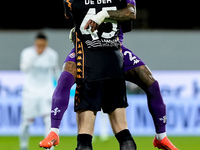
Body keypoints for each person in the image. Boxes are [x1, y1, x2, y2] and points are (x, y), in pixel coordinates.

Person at [40, 0, 137, 150]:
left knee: (84, 137)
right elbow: (129, 19)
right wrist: (107, 14)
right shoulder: (119, 2)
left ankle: (54, 130)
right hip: (114, 62)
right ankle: (161, 134)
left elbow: (72, 18)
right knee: (124, 132)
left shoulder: (74, 2)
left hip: (88, 61)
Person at [19, 32, 60, 150]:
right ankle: (23, 145)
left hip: (46, 91)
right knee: (26, 122)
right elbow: (23, 69)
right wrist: (35, 55)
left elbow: (55, 71)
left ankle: (50, 147)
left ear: (46, 43)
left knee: (49, 121)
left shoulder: (52, 54)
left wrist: (59, 86)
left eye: (43, 44)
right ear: (35, 43)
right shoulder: (27, 53)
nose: (41, 46)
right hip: (30, 92)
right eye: (39, 44)